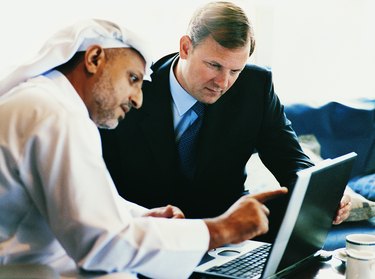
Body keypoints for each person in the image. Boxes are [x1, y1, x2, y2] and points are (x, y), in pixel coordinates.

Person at [0, 18, 288, 278]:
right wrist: (221, 230)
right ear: (95, 58)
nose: (138, 99)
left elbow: (82, 201)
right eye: (133, 79)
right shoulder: (55, 114)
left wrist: (137, 217)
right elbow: (101, 244)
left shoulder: (51, 105)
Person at [100, 1, 352, 242]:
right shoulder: (134, 88)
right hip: (150, 235)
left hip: (230, 235)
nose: (223, 82)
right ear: (186, 47)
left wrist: (321, 195)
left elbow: (290, 158)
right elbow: (101, 187)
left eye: (235, 70)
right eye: (214, 65)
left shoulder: (255, 87)